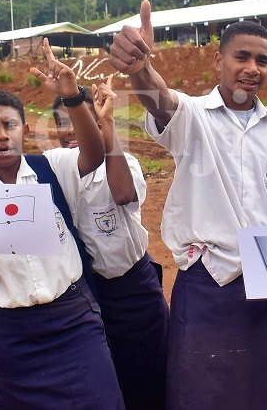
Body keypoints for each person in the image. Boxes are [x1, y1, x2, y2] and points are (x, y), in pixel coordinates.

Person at [109, 1, 267, 409]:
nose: (252, 68)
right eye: (241, 57)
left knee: (265, 392)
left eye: (263, 60)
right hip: (207, 279)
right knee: (201, 391)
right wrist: (140, 67)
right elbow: (161, 101)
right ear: (218, 60)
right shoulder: (193, 114)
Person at [0, 39, 122, 408]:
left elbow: (94, 154)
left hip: (73, 321)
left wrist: (72, 96)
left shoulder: (52, 167)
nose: (2, 135)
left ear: (25, 128)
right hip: (11, 334)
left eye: (10, 125)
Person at [51, 75, 168, 410]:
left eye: (80, 120)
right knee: (107, 377)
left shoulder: (123, 162)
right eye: (62, 123)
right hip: (89, 295)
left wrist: (109, 128)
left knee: (151, 371)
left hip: (133, 290)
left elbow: (123, 194)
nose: (71, 130)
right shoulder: (57, 168)